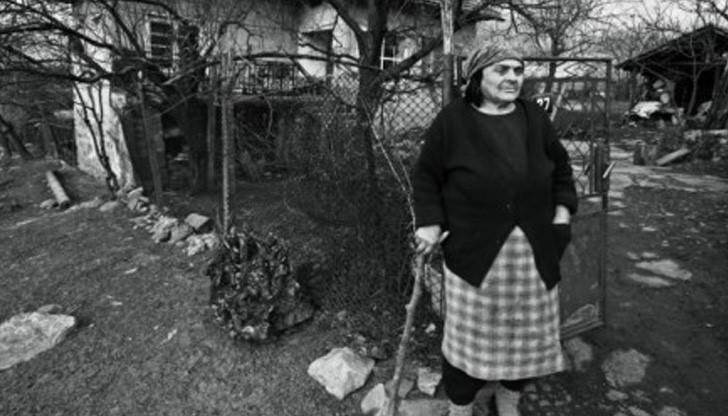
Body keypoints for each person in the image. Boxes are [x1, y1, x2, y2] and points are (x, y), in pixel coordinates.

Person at [412, 45, 578, 416]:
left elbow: (562, 168)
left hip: (534, 252)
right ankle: (460, 406)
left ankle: (509, 398)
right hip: (475, 253)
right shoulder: (453, 120)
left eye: (518, 70)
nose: (512, 77)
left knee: (525, 338)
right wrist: (429, 223)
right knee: (468, 343)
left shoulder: (534, 117)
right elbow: (427, 177)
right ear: (477, 77)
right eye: (501, 70)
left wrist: (562, 216)